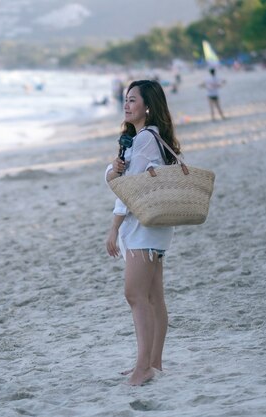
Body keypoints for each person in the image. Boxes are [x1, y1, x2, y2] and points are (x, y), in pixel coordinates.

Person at [104, 80, 182, 386]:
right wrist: (113, 171)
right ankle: (153, 362)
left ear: (147, 106)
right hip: (152, 227)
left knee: (135, 295)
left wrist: (113, 229)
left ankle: (144, 367)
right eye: (125, 99)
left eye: (133, 100)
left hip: (144, 229)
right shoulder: (143, 139)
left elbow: (128, 189)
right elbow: (122, 180)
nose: (126, 104)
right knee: (152, 296)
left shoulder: (146, 139)